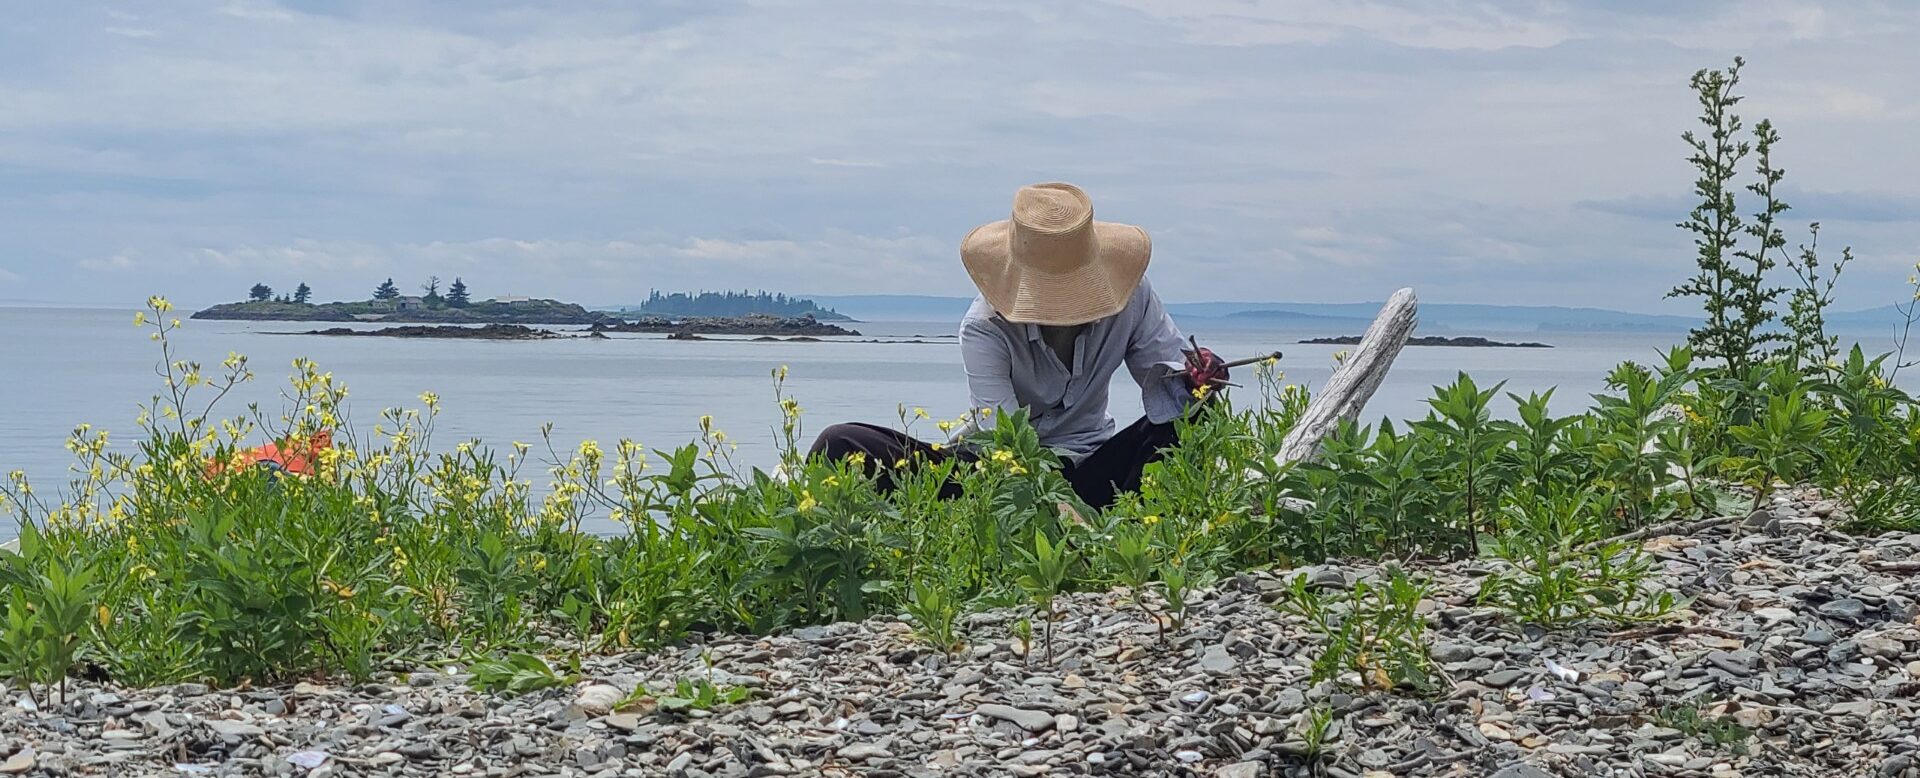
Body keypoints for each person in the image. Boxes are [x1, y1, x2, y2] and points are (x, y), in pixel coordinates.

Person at [808, 182, 1228, 508]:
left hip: (1094, 466)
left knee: (1196, 409)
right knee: (841, 442)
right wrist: (1053, 503)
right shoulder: (984, 327)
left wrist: (1199, 377)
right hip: (1001, 479)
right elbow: (1006, 446)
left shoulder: (1130, 295)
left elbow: (1171, 380)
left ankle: (1127, 514)